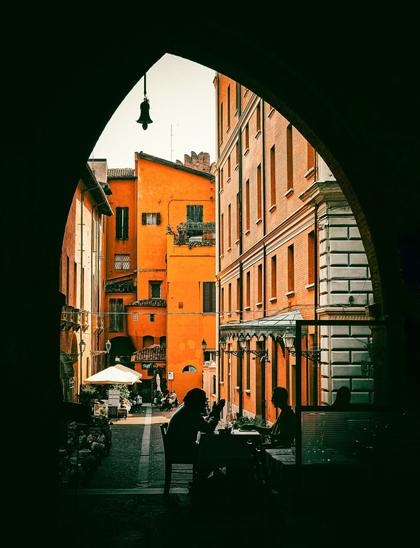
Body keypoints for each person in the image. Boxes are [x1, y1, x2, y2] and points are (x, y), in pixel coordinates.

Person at [165, 388, 225, 463]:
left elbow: (202, 423)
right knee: (212, 452)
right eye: (203, 401)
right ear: (197, 401)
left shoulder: (186, 407)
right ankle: (207, 473)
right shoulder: (189, 411)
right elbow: (208, 428)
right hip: (181, 451)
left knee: (210, 450)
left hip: (178, 448)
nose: (204, 404)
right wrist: (216, 413)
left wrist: (212, 413)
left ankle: (212, 472)